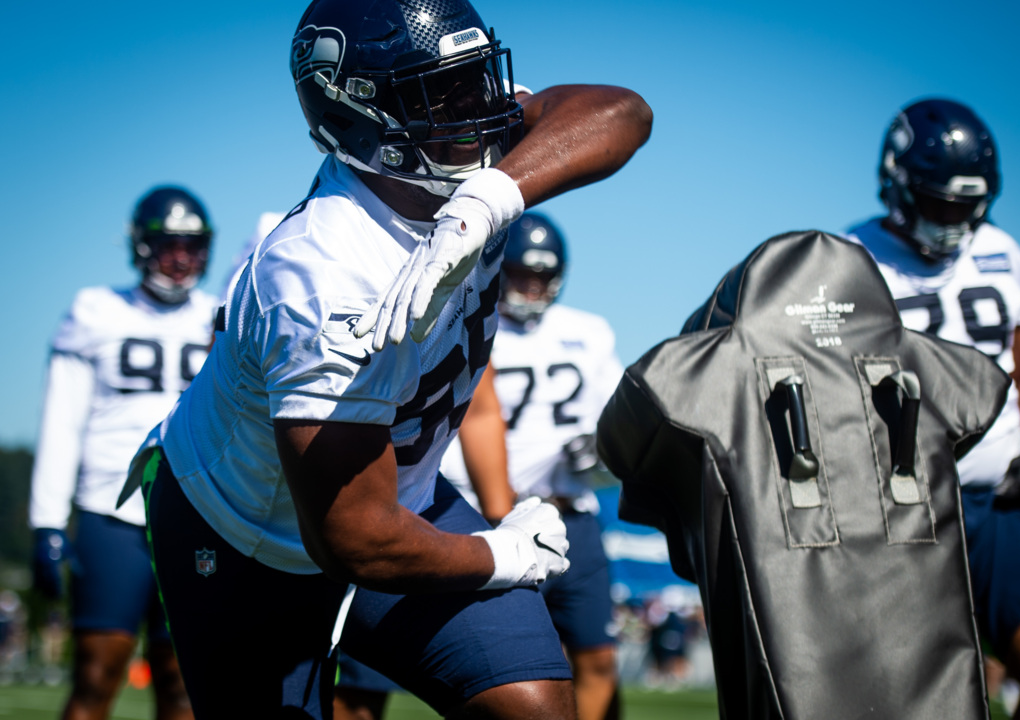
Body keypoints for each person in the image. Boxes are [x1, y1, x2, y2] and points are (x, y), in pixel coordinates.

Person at [121, 0, 653, 717]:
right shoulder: (321, 271)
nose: (479, 105)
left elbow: (623, 112)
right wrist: (506, 555)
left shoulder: (478, 159)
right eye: (446, 90)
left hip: (403, 490)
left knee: (534, 706)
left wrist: (491, 200)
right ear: (363, 114)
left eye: (477, 78)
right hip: (248, 529)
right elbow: (357, 539)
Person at [848, 97, 1020, 720]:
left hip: (992, 500)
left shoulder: (1003, 252)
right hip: (899, 513)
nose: (953, 221)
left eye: (966, 205)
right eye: (938, 202)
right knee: (914, 694)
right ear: (897, 182)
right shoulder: (848, 261)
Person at [29, 186, 216, 720]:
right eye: (167, 244)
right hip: (111, 510)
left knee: (183, 684)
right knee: (95, 675)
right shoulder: (95, 310)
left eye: (191, 245)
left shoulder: (222, 316)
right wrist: (47, 521)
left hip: (196, 513)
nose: (180, 258)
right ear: (140, 247)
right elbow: (61, 421)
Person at [443, 212, 625, 720]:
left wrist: (601, 449)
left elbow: (620, 423)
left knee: (598, 657)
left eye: (541, 277)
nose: (531, 287)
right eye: (521, 273)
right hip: (487, 513)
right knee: (503, 665)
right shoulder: (471, 323)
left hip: (572, 514)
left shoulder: (590, 332)